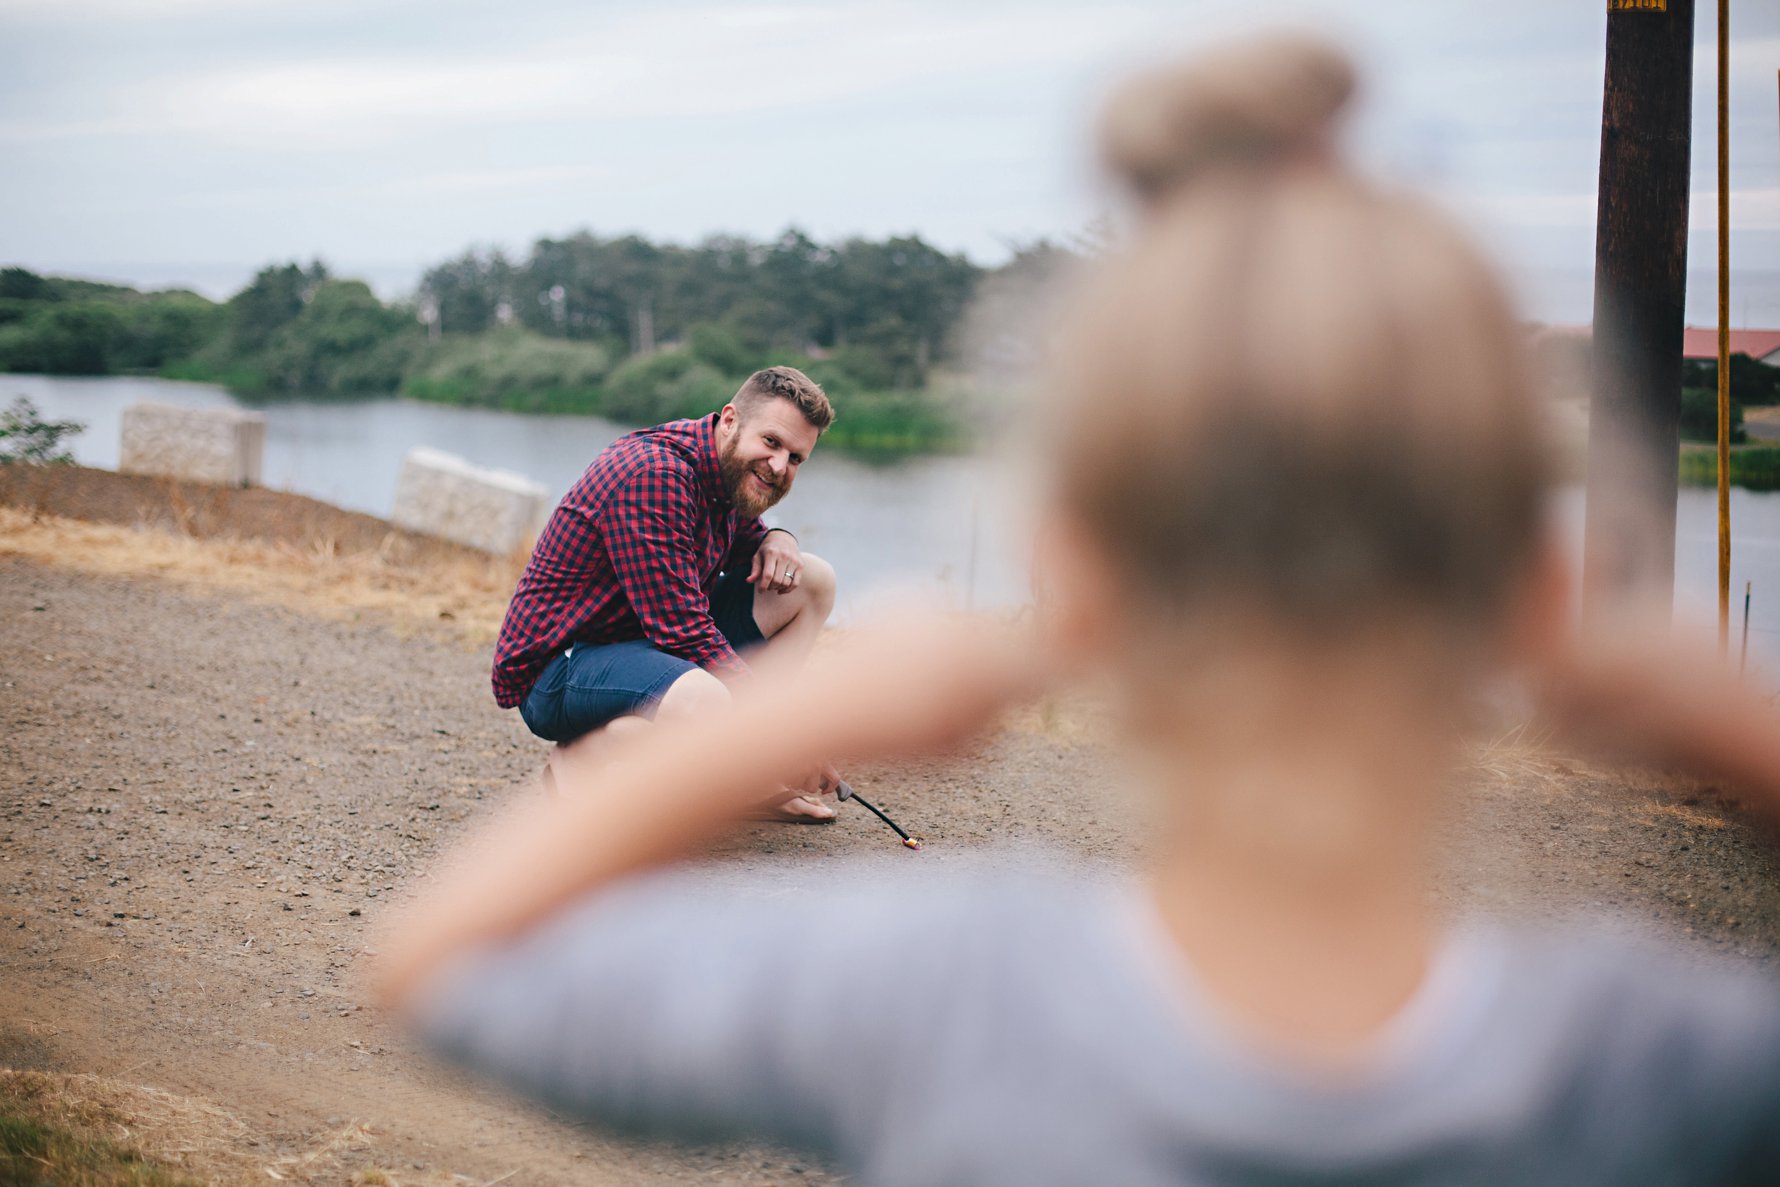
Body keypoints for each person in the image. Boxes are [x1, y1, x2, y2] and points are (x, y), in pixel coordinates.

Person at [380, 34, 1780, 1184]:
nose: (782, 467)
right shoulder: (1646, 1058)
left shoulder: (932, 992)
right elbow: (680, 632)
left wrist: (841, 692)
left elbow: (440, 962)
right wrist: (1720, 715)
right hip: (570, 666)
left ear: (1075, 568)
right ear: (1536, 595)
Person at [492, 364, 841, 820]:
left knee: (811, 581)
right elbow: (684, 630)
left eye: (795, 458)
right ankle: (579, 760)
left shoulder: (725, 470)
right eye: (771, 442)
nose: (779, 466)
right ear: (730, 420)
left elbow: (746, 539)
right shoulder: (654, 475)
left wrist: (779, 538)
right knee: (705, 699)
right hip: (560, 667)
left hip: (640, 645)